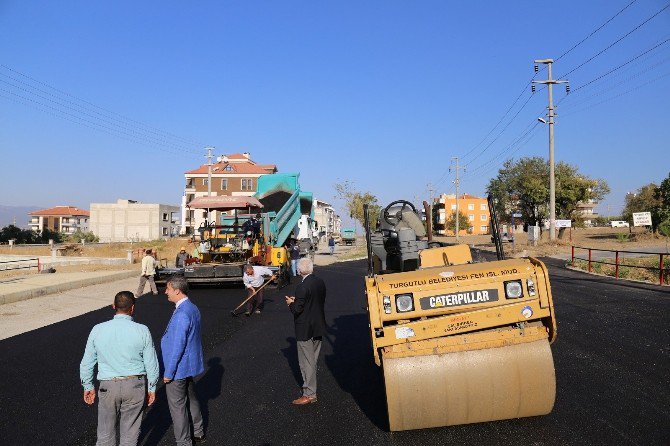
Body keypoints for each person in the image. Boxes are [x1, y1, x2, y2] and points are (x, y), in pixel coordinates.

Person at [79, 291, 159, 446]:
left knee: (105, 435)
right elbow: (152, 363)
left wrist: (88, 386)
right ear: (133, 308)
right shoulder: (142, 330)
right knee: (129, 436)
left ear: (113, 306)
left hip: (108, 387)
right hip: (135, 386)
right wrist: (152, 387)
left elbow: (87, 362)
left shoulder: (97, 329)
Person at [162, 276, 206, 445]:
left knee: (177, 407)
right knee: (192, 399)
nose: (165, 292)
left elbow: (178, 346)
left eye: (168, 289)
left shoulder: (181, 314)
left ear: (177, 290)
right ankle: (199, 432)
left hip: (178, 367)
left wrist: (169, 372)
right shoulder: (192, 308)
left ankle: (184, 442)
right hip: (190, 364)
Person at [285, 258, 327, 405]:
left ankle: (309, 394)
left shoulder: (302, 287)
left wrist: (291, 303)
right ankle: (311, 389)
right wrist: (299, 300)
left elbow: (297, 310)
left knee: (306, 363)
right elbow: (314, 301)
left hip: (305, 329)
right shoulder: (319, 282)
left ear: (300, 270)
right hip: (318, 326)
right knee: (313, 360)